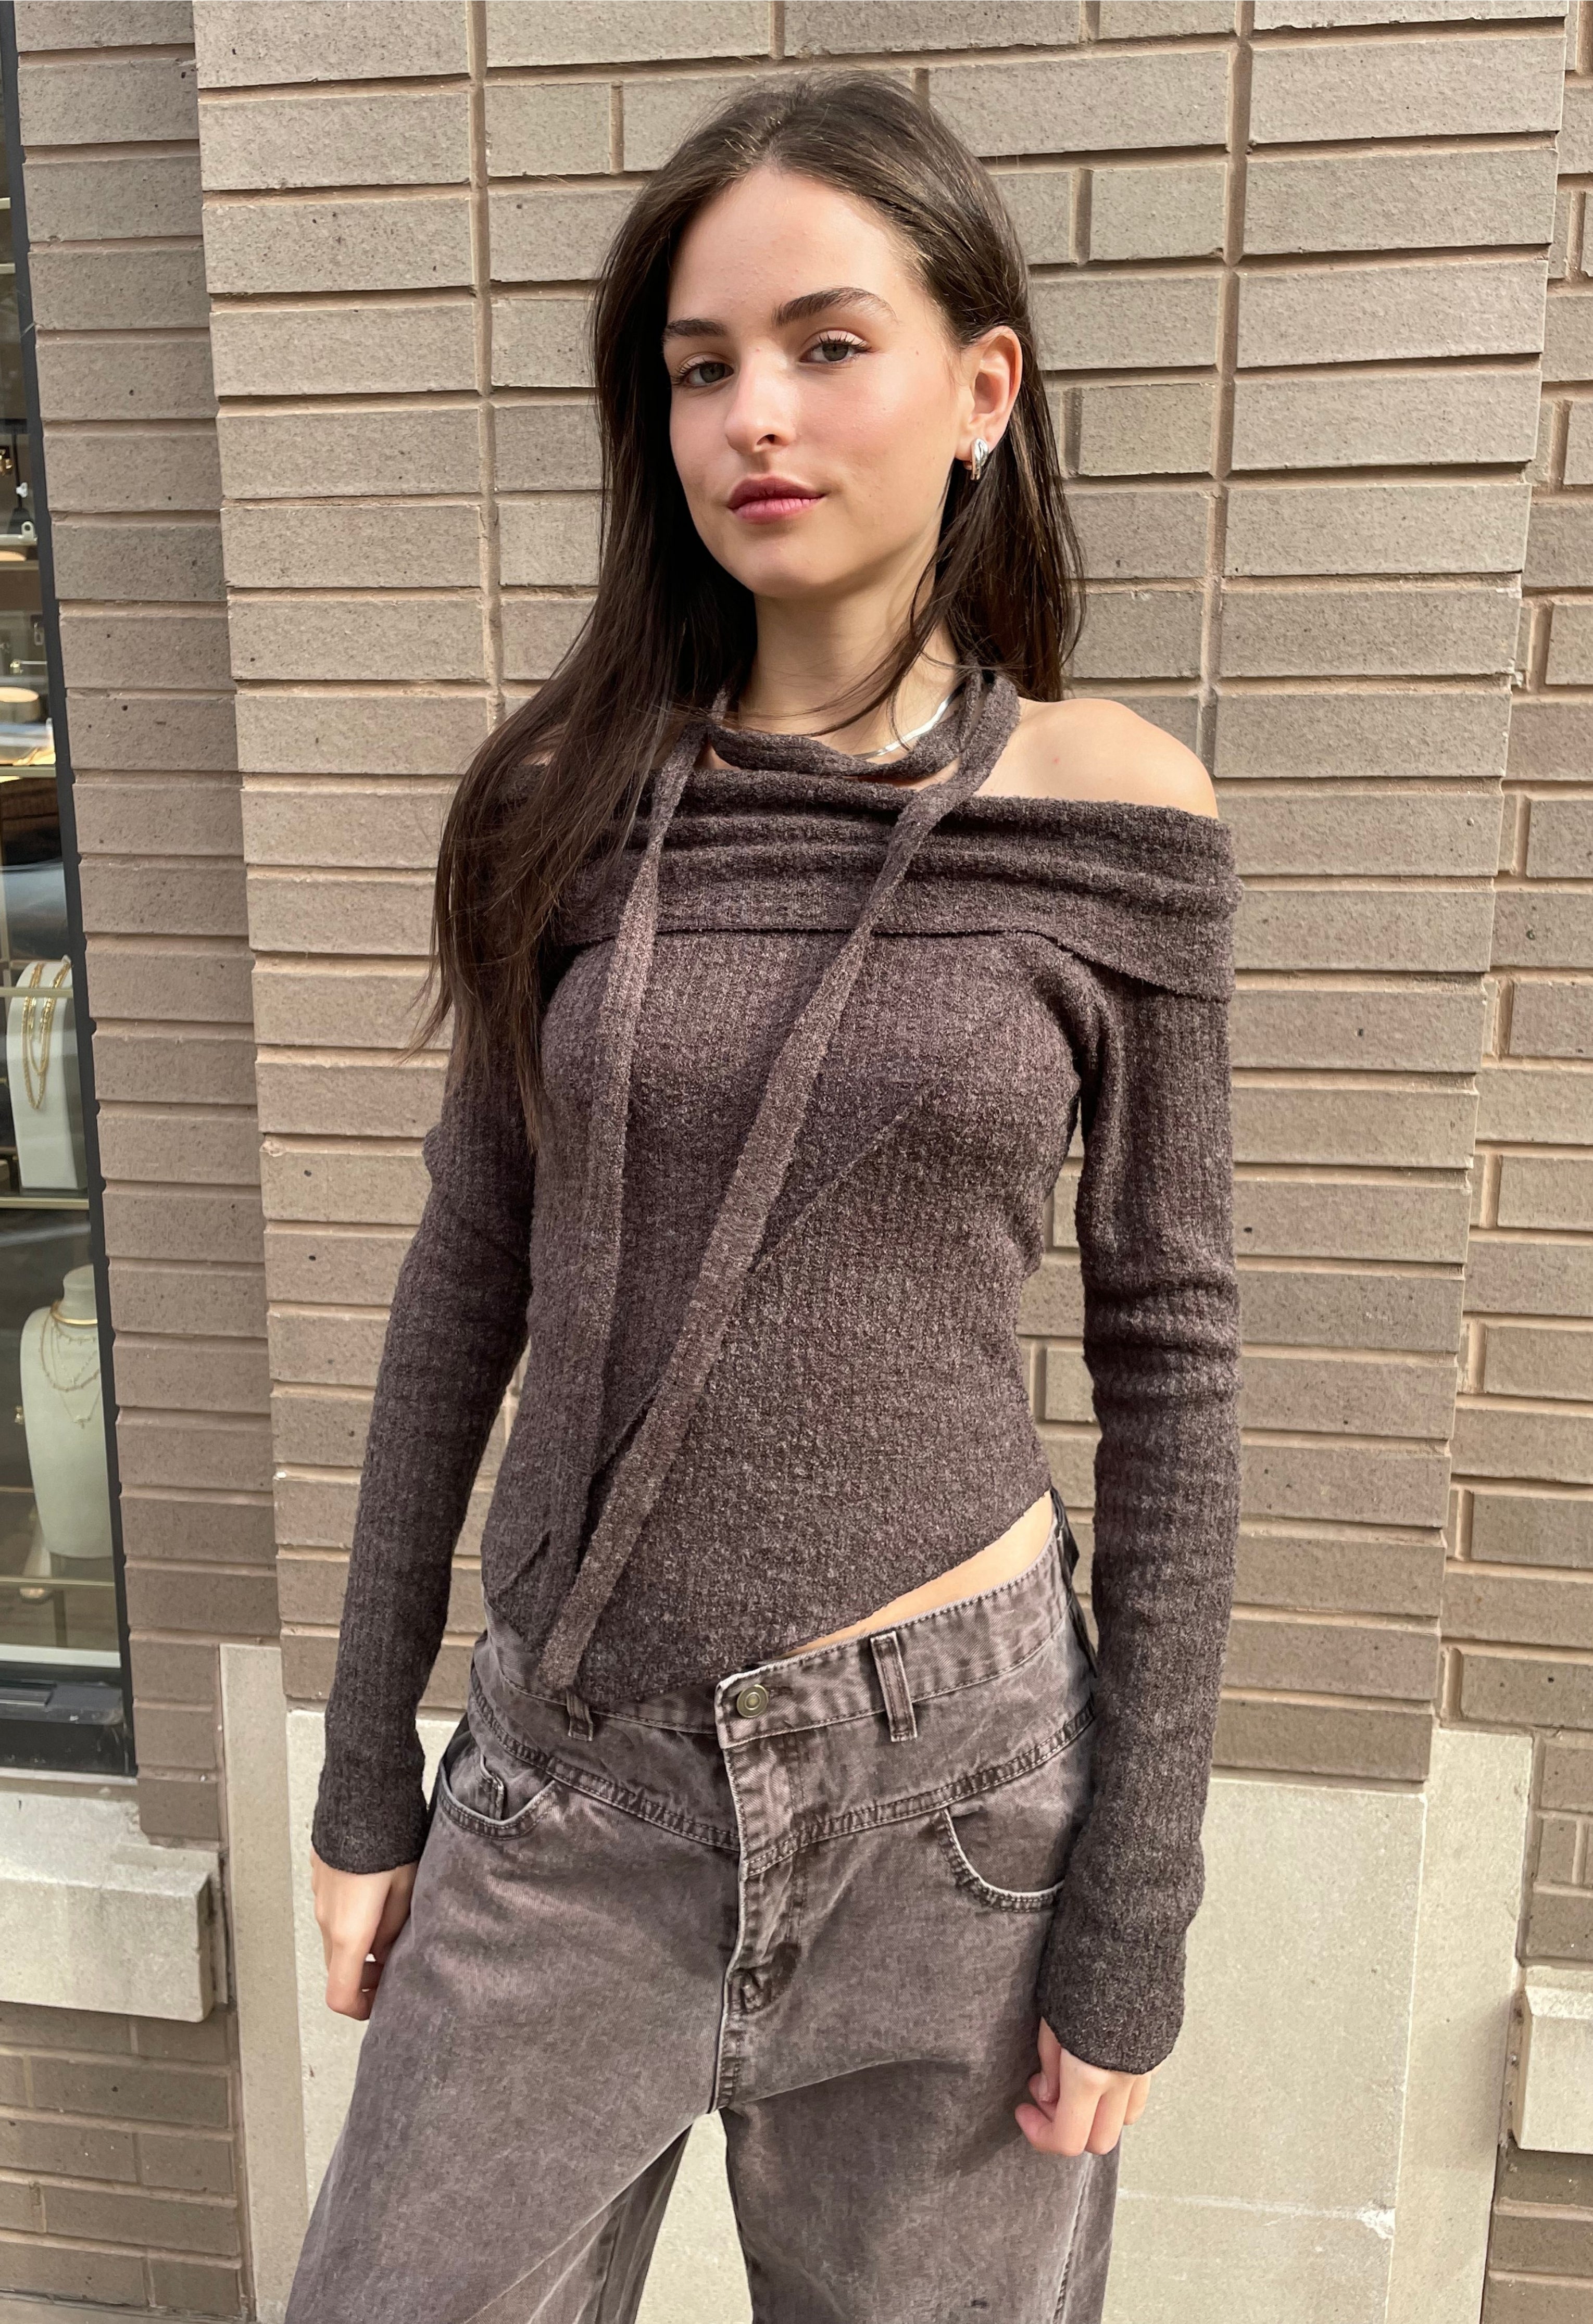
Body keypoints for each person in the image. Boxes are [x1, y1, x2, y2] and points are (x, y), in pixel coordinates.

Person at [285, 71, 1243, 2324]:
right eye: (701, 366)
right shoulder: (557, 799)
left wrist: (1135, 1908)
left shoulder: (1114, 817)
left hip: (963, 1810)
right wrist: (361, 1771)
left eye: (827, 346)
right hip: (572, 1780)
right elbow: (464, 1279)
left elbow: (1174, 1363)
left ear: (982, 388)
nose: (757, 418)